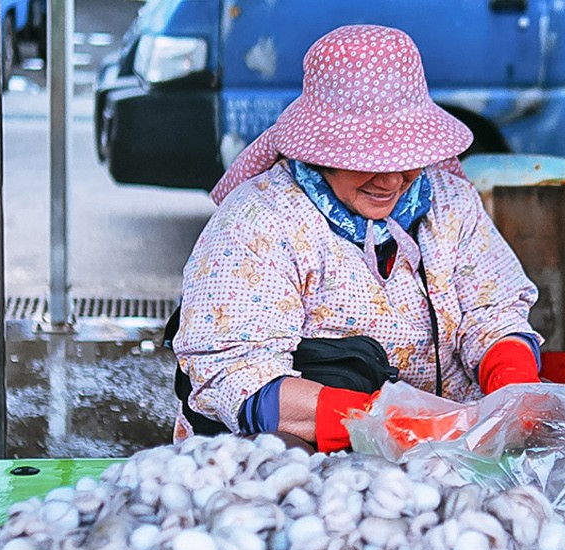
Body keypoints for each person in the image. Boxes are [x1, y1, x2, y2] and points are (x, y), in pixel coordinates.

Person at [173, 25, 542, 451]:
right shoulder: (259, 220)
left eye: (406, 158)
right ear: (318, 151)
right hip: (302, 459)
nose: (391, 180)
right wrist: (385, 425)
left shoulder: (450, 202)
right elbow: (236, 373)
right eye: (368, 161)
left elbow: (493, 311)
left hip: (449, 448)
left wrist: (513, 387)